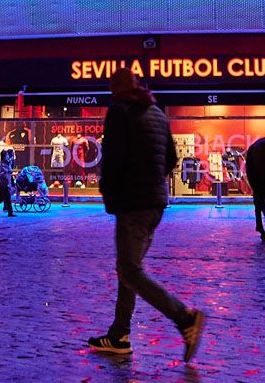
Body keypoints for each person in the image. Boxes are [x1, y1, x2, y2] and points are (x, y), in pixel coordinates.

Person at [87, 68, 204, 360]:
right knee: (130, 268)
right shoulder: (157, 112)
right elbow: (172, 159)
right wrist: (153, 182)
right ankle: (118, 335)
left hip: (132, 202)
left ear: (117, 88)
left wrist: (109, 194)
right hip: (155, 202)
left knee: (129, 270)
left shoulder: (119, 112)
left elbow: (113, 159)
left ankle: (184, 317)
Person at [0, 148, 18, 217]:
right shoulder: (0, 164)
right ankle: (10, 213)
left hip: (8, 183)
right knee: (8, 199)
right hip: (3, 184)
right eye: (7, 155)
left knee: (0, 199)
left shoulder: (8, 163)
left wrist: (11, 172)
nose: (8, 156)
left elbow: (9, 171)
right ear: (4, 156)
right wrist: (3, 173)